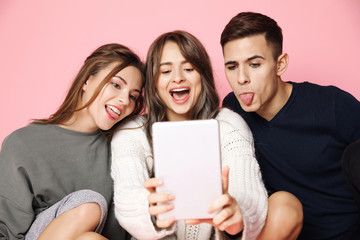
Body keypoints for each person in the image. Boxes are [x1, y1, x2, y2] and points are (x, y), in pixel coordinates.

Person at [111, 30, 302, 240]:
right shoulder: (132, 132)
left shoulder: (228, 123)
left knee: (286, 204)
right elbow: (126, 196)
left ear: (202, 76)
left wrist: (237, 213)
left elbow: (247, 190)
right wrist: (148, 207)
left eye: (189, 68)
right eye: (165, 71)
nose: (178, 78)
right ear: (153, 82)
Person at [221, 11, 360, 239]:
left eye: (254, 64)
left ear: (280, 64)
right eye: (232, 66)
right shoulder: (233, 112)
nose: (242, 79)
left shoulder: (333, 105)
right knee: (281, 203)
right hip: (284, 230)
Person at [0, 43, 145, 240]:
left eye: (133, 96)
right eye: (116, 85)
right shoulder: (23, 144)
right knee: (89, 205)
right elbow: (6, 230)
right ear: (87, 80)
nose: (124, 100)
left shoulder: (124, 149)